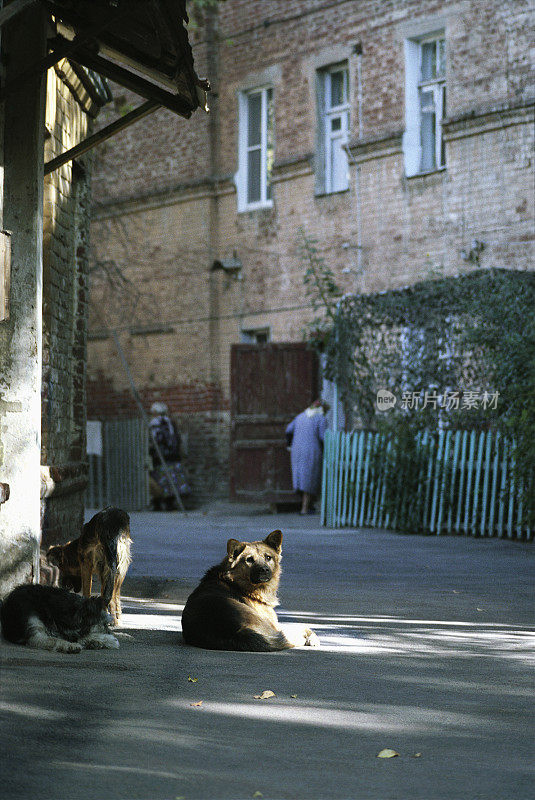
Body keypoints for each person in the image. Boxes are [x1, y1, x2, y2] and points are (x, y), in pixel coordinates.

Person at [285, 399, 330, 514]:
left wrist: (289, 444)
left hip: (296, 450)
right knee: (310, 478)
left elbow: (288, 430)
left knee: (300, 477)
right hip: (311, 450)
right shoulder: (321, 418)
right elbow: (323, 437)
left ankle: (308, 506)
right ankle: (304, 508)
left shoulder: (300, 416)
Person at [148, 402, 191, 510]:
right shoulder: (171, 423)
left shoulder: (154, 423)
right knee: (173, 481)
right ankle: (170, 503)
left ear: (155, 412)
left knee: (160, 481)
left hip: (160, 458)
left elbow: (155, 441)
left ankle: (158, 504)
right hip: (173, 457)